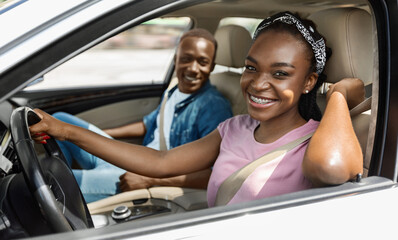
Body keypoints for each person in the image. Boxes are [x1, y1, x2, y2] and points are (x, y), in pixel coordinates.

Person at [30, 12, 364, 207]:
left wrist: (337, 97)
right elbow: (161, 162)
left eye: (280, 73)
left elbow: (332, 168)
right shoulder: (233, 128)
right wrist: (65, 130)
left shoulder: (314, 142)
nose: (258, 84)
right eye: (251, 68)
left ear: (309, 82)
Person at [50, 28, 233, 203]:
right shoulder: (175, 91)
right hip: (137, 159)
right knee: (60, 118)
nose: (193, 68)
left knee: (52, 180)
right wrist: (101, 135)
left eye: (202, 62)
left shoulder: (213, 106)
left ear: (211, 66)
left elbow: (215, 173)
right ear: (175, 59)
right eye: (186, 59)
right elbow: (149, 123)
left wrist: (149, 179)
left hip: (152, 173)